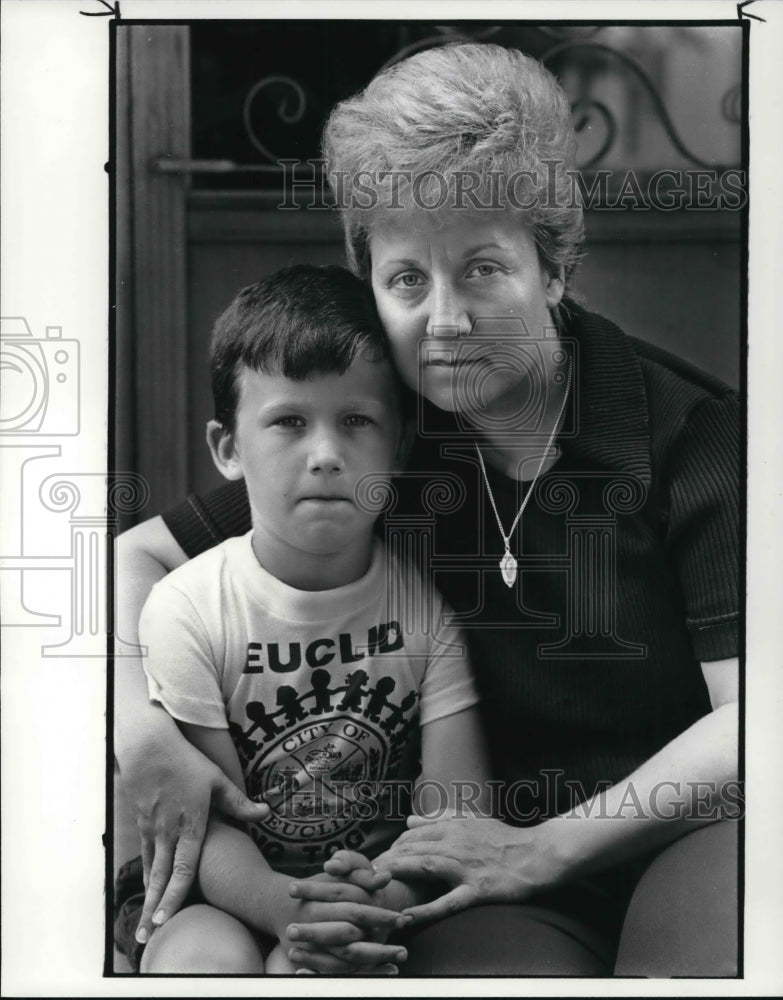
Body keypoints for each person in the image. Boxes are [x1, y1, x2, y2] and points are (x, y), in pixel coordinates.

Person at [115, 43, 739, 976]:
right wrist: (139, 728)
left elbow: (754, 716)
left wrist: (546, 845)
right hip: (474, 861)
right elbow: (136, 555)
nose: (443, 318)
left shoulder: (693, 436)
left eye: (483, 268)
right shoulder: (385, 432)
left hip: (689, 832)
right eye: (407, 280)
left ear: (555, 268)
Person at [117, 265, 489, 973]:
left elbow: (453, 808)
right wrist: (295, 914)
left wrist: (374, 904)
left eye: (356, 421)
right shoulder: (188, 607)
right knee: (203, 961)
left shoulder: (425, 609)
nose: (325, 454)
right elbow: (212, 819)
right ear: (227, 448)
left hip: (373, 890)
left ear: (399, 445)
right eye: (289, 421)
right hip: (214, 888)